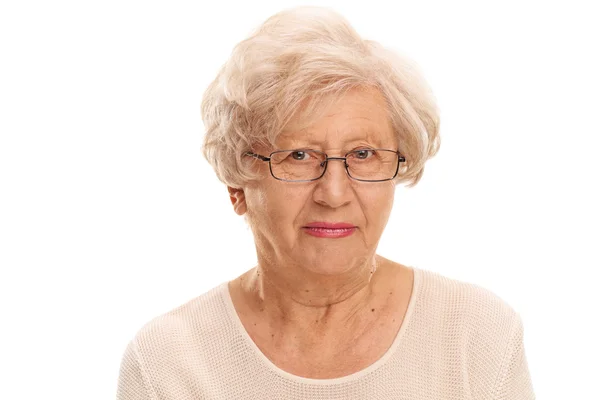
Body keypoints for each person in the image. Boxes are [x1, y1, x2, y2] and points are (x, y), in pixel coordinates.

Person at [117, 6, 535, 399]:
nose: (333, 194)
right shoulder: (167, 363)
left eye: (363, 155)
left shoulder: (476, 336)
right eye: (298, 156)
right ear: (238, 182)